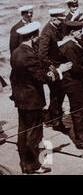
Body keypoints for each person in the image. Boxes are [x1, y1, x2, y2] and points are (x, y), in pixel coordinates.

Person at [10, 21, 72, 174]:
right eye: (36, 38)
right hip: (32, 101)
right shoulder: (29, 55)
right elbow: (43, 78)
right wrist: (60, 71)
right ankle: (33, 166)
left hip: (21, 99)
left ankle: (25, 164)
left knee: (22, 132)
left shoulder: (16, 52)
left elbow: (13, 77)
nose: (38, 40)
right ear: (32, 38)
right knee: (34, 134)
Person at [57, 21, 83, 151]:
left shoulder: (71, 43)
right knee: (79, 110)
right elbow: (75, 68)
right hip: (72, 82)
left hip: (74, 81)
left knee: (82, 107)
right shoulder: (69, 46)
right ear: (72, 32)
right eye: (79, 31)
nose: (81, 33)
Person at [38, 9, 69, 133]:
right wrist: (54, 69)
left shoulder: (57, 27)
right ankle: (56, 122)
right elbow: (42, 55)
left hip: (60, 66)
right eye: (61, 20)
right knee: (56, 94)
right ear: (53, 19)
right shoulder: (47, 32)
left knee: (59, 94)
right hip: (53, 68)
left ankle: (52, 117)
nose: (63, 22)